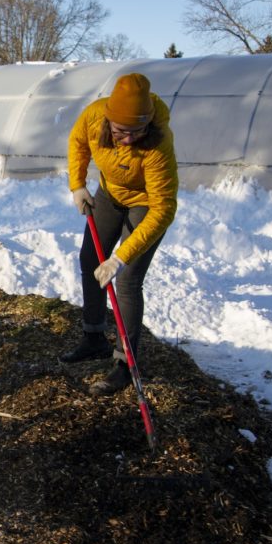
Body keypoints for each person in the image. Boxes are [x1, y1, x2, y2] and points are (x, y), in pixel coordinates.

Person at [61, 72, 178, 395]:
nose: (127, 139)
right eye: (121, 131)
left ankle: (125, 364)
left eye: (136, 132)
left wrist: (122, 257)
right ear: (109, 120)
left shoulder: (158, 144)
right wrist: (78, 184)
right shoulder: (95, 115)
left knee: (127, 281)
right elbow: (78, 142)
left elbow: (164, 208)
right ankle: (93, 337)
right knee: (90, 261)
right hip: (109, 195)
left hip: (146, 204)